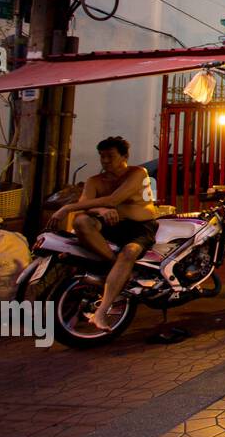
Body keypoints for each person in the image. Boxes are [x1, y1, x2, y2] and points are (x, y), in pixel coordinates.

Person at [47, 136, 158, 330]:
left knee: (129, 251)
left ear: (125, 156)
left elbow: (114, 199)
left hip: (139, 226)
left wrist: (67, 207)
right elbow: (86, 208)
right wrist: (101, 211)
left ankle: (101, 312)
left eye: (110, 156)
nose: (105, 161)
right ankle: (118, 268)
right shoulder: (94, 181)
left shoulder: (138, 173)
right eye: (102, 156)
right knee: (81, 221)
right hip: (109, 226)